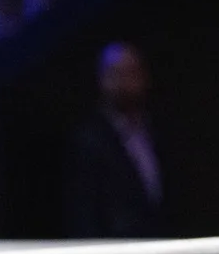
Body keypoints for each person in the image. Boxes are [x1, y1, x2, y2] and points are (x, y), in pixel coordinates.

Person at [64, 43, 167, 238]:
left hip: (161, 247)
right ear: (102, 79)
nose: (125, 82)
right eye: (116, 74)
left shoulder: (157, 131)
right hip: (113, 253)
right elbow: (83, 213)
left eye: (131, 72)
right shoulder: (89, 141)